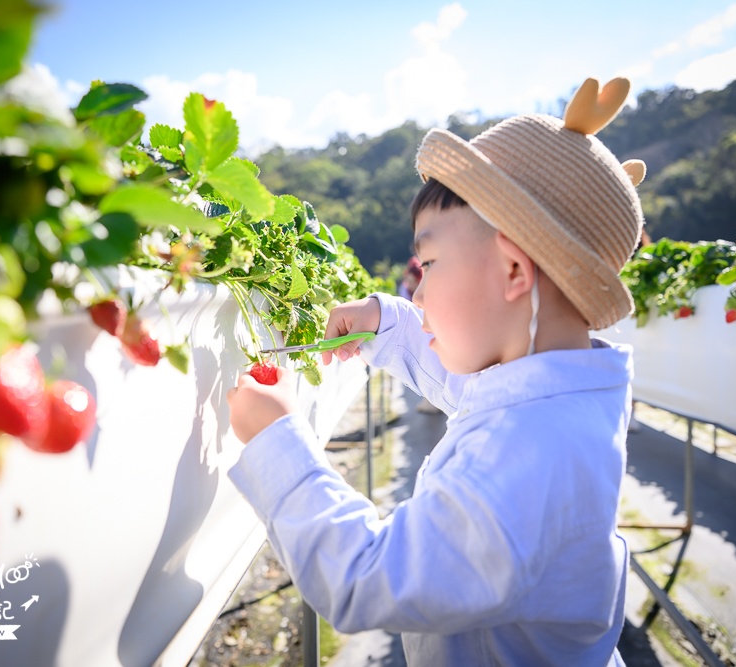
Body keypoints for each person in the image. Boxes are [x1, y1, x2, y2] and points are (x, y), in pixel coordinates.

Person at [226, 76, 646, 666]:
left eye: (428, 264)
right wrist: (387, 322)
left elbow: (366, 579)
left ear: (513, 271)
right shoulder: (553, 402)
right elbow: (471, 392)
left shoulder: (528, 457)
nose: (417, 294)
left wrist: (277, 442)